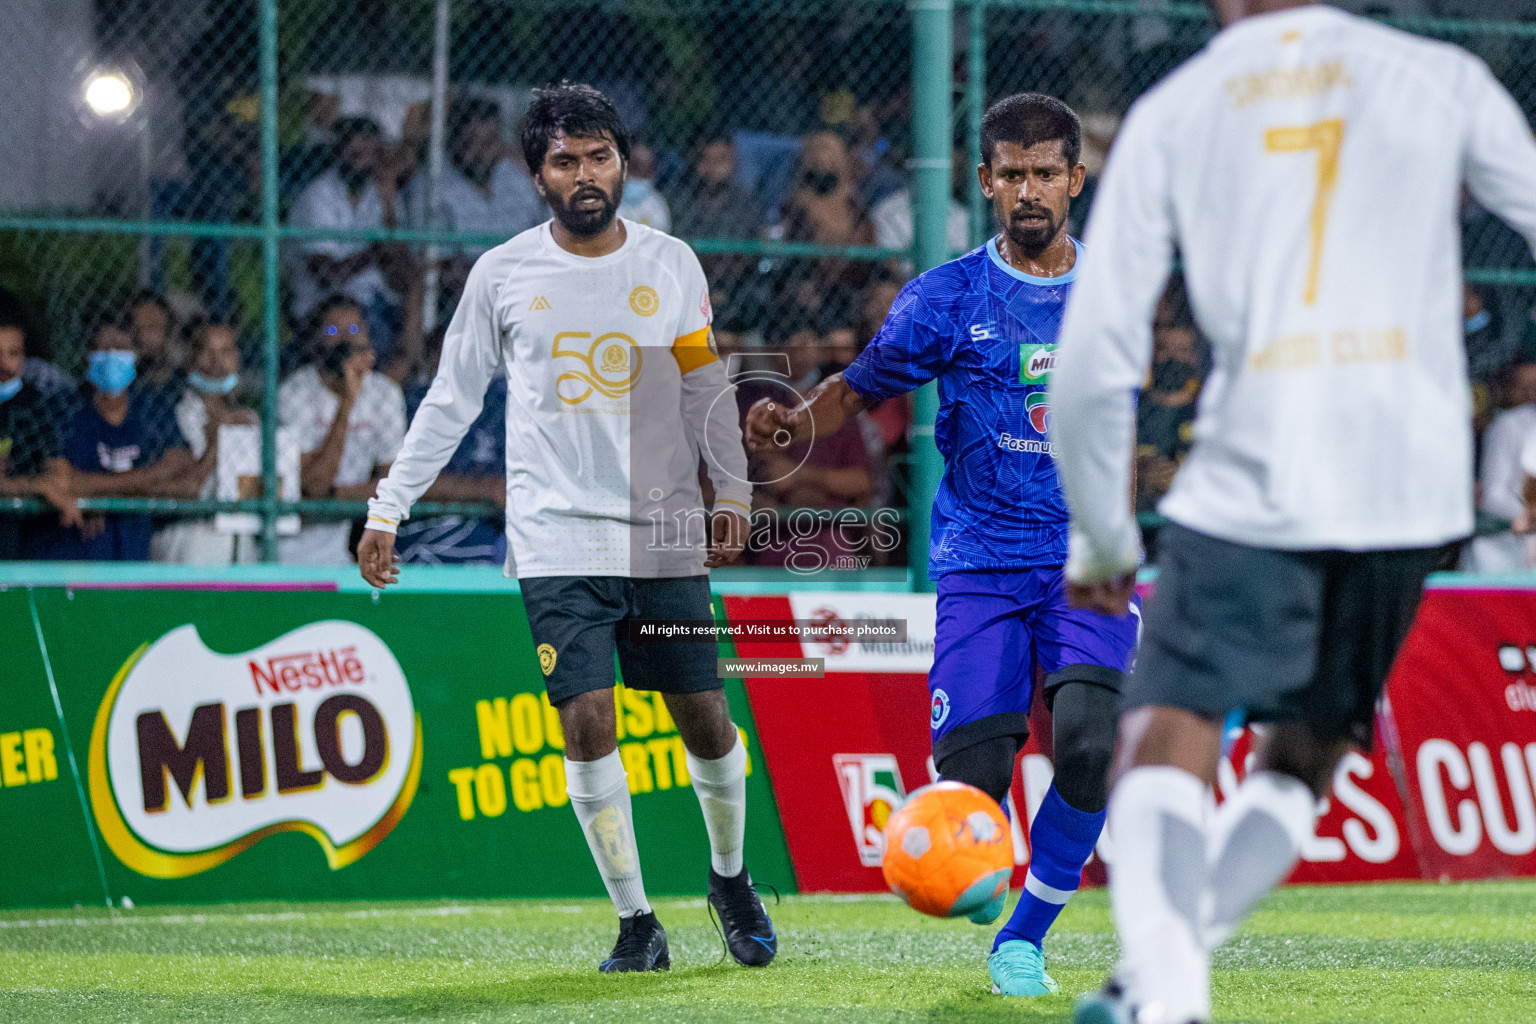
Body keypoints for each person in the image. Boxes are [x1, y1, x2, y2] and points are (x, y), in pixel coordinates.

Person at [1047, 2, 1536, 1021]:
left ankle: (1172, 998)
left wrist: (1103, 531)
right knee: (1307, 754)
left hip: (1257, 469)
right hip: (1413, 482)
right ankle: (1152, 981)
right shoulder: (1438, 77)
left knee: (1162, 731)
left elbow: (1093, 359)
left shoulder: (1179, 109)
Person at [356, 83, 776, 973]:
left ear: (623, 163)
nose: (584, 175)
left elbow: (705, 390)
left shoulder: (671, 264)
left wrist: (732, 494)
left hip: (662, 532)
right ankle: (636, 922)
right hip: (554, 537)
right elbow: (450, 398)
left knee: (703, 716)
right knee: (585, 720)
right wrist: (388, 506)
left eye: (599, 157)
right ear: (535, 173)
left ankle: (731, 880)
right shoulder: (502, 274)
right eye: (564, 161)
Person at [746, 94, 1139, 998]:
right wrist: (790, 424)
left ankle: (1026, 935)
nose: (1029, 190)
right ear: (986, 181)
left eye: (1047, 172)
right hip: (979, 564)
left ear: (1077, 180)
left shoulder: (1115, 290)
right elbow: (857, 385)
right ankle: (989, 894)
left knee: (1088, 743)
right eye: (1012, 173)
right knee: (972, 782)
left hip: (1085, 563)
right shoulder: (947, 297)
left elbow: (1118, 425)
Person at [47, 316, 198, 560]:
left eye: (120, 348)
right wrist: (152, 478)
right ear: (88, 355)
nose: (111, 356)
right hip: (79, 555)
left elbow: (186, 481)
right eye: (102, 348)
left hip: (136, 552)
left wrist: (95, 495)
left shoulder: (153, 406)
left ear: (136, 355)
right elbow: (65, 481)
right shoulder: (69, 408)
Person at [278, 297, 406, 565]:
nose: (346, 341)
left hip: (338, 546)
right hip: (285, 546)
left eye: (355, 331)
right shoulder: (294, 393)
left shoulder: (385, 393)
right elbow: (314, 485)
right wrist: (347, 403)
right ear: (315, 341)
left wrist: (338, 496)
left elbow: (393, 485)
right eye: (333, 332)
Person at [288, 117, 411, 361]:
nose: (360, 159)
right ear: (337, 151)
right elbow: (327, 276)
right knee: (364, 332)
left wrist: (387, 206)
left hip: (377, 303)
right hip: (324, 306)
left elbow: (400, 276)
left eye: (367, 152)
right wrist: (376, 251)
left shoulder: (385, 196)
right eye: (352, 153)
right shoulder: (318, 195)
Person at [150, 320, 261, 564]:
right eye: (206, 351)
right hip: (188, 542)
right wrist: (218, 443)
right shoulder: (171, 413)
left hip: (241, 545)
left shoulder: (250, 418)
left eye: (226, 352)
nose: (216, 362)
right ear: (191, 358)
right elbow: (171, 485)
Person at [410, 97, 545, 284]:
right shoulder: (432, 183)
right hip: (465, 286)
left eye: (488, 143)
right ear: (454, 138)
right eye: (471, 142)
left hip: (524, 279)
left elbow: (544, 233)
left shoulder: (517, 177)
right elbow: (435, 261)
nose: (480, 153)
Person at [0, 308, 79, 558]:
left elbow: (57, 468)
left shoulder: (35, 405)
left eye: (13, 354)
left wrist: (55, 483)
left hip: (24, 541)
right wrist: (36, 485)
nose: (4, 364)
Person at [616, 142, 671, 231]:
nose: (638, 177)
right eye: (635, 168)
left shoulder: (656, 204)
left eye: (643, 171)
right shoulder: (657, 204)